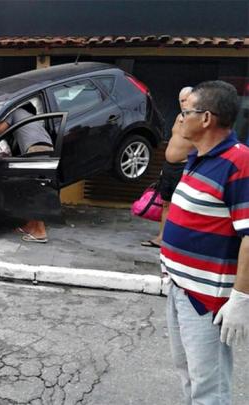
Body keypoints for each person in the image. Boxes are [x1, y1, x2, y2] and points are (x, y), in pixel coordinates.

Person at [161, 81, 249, 404]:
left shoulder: (239, 162)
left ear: (207, 118)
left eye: (186, 112)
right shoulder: (200, 157)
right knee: (188, 375)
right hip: (181, 289)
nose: (181, 119)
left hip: (205, 301)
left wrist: (240, 299)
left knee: (209, 389)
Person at [0, 105, 54, 243]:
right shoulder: (30, 119)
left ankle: (40, 233)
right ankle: (30, 226)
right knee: (29, 190)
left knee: (34, 192)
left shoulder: (15, 112)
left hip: (36, 150)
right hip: (46, 149)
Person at [142, 86, 194, 248]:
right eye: (181, 101)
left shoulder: (198, 120)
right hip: (169, 166)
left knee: (181, 206)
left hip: (184, 167)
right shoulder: (179, 116)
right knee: (166, 203)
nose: (183, 104)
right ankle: (161, 237)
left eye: (186, 100)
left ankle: (177, 240)